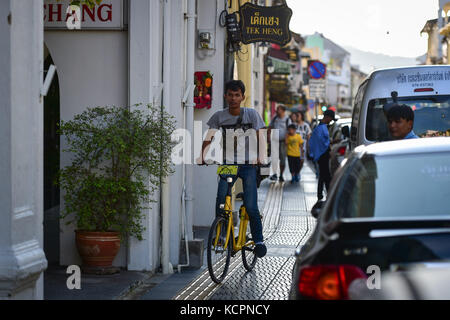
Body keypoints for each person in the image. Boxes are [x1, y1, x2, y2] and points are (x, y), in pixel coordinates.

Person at [198, 80, 267, 258]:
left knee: (251, 206)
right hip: (228, 164)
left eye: (237, 95)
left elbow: (261, 136)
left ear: (243, 97)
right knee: (221, 199)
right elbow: (209, 137)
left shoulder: (252, 115)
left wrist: (261, 156)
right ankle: (221, 236)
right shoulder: (219, 116)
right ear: (225, 96)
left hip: (249, 165)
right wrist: (202, 155)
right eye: (230, 94)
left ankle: (259, 241)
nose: (234, 98)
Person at [309, 110, 335, 201]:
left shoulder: (319, 127)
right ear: (327, 117)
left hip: (321, 155)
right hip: (323, 155)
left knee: (323, 175)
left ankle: (321, 194)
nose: (331, 121)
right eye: (331, 119)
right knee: (326, 176)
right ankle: (328, 195)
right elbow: (323, 143)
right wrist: (329, 145)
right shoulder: (321, 128)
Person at [269, 105, 292, 182]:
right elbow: (270, 127)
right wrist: (268, 137)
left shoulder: (287, 119)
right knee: (274, 158)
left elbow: (290, 130)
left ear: (283, 110)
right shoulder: (275, 118)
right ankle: (275, 174)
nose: (277, 110)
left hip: (283, 142)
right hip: (274, 141)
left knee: (282, 160)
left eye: (278, 109)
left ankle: (281, 174)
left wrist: (287, 139)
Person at [295, 111, 312, 178]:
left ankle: (298, 172)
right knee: (295, 161)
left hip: (303, 146)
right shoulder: (294, 125)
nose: (297, 117)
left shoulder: (306, 125)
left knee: (302, 160)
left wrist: (308, 145)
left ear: (301, 116)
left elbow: (308, 135)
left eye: (298, 116)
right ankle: (295, 173)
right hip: (294, 146)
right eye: (296, 116)